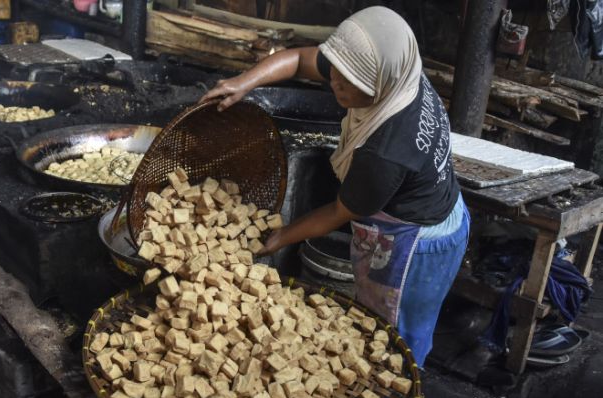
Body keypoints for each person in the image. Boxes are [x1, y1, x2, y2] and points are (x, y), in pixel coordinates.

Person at [200, 6, 469, 366]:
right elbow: (297, 59)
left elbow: (337, 212)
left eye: (349, 79)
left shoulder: (386, 153)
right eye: (335, 72)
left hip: (419, 247)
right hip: (441, 205)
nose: (335, 83)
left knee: (394, 349)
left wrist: (279, 237)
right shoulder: (398, 72)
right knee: (375, 333)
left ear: (380, 79)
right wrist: (243, 83)